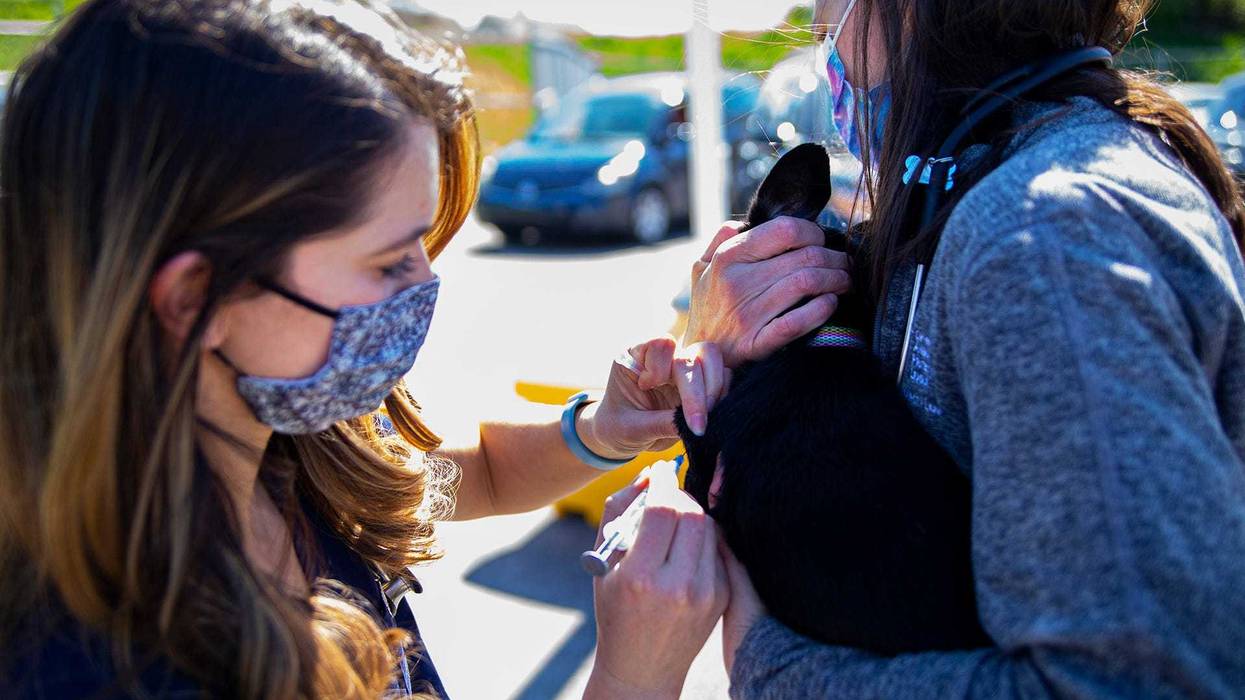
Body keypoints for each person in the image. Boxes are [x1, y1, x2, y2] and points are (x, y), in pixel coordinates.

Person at [0, 1, 852, 697]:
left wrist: (604, 428)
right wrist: (636, 672)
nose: (424, 288)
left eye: (429, 247)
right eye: (386, 260)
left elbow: (461, 475)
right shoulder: (93, 664)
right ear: (192, 299)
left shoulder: (279, 447)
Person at [654, 0, 1245, 696]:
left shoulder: (1042, 233)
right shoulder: (984, 177)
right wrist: (748, 328)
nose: (817, 25)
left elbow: (1139, 684)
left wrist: (767, 660)